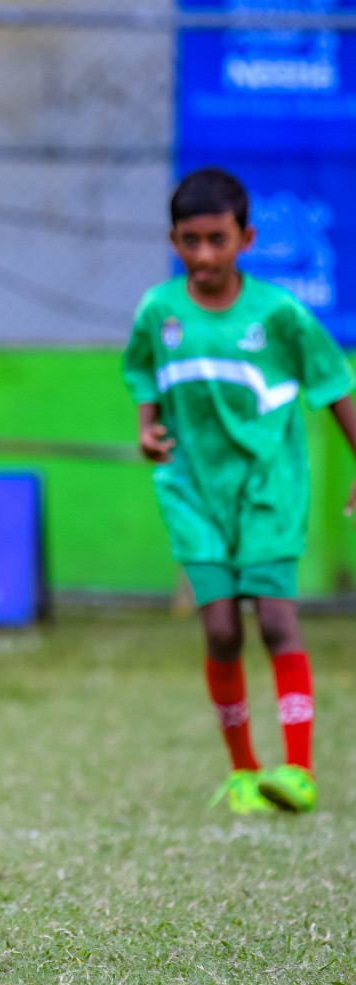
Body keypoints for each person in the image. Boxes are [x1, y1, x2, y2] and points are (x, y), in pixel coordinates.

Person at [122, 168, 356, 816]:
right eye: (190, 241)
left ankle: (300, 771)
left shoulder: (280, 315)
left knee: (276, 619)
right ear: (174, 239)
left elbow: (333, 385)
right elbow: (143, 371)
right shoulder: (158, 311)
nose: (203, 255)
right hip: (192, 491)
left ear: (245, 239)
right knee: (221, 630)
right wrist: (147, 430)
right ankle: (246, 773)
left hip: (267, 488)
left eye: (217, 240)